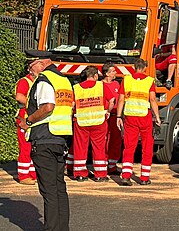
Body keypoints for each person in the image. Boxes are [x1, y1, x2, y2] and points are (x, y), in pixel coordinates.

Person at [17, 50, 73, 231]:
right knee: (59, 189)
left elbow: (48, 106)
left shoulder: (44, 80)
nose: (31, 70)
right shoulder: (64, 80)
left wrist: (28, 121)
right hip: (60, 138)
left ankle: (51, 229)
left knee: (49, 190)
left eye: (32, 65)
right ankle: (62, 228)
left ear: (40, 63)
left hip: (44, 138)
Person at [116, 59, 161, 186]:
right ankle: (144, 177)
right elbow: (152, 99)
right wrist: (157, 116)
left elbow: (121, 100)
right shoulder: (149, 81)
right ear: (145, 68)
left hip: (130, 117)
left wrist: (119, 116)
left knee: (129, 146)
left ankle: (125, 176)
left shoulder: (127, 80)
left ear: (134, 67)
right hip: (144, 117)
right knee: (147, 147)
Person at [72, 66, 109, 182]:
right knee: (99, 148)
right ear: (96, 76)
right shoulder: (101, 85)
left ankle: (80, 174)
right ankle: (100, 174)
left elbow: (72, 105)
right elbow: (112, 100)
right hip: (98, 121)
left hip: (81, 122)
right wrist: (107, 111)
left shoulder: (76, 88)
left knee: (80, 147)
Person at [14, 60, 39, 184]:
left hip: (33, 119)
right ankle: (23, 176)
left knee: (33, 148)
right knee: (26, 148)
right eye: (38, 65)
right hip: (24, 119)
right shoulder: (25, 81)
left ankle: (32, 174)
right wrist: (35, 104)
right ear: (30, 68)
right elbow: (19, 97)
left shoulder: (37, 81)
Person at [102, 62, 122, 175]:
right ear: (106, 73)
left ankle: (112, 166)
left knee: (115, 141)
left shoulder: (117, 85)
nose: (115, 73)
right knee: (104, 141)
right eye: (113, 71)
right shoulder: (99, 85)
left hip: (115, 116)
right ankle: (103, 164)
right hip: (104, 116)